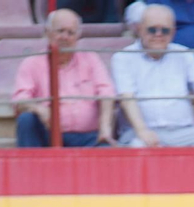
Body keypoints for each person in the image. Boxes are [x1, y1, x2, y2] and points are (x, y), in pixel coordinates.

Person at [112, 5, 194, 146]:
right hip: (138, 132)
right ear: (139, 29)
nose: (158, 34)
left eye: (165, 30)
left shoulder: (184, 54)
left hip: (184, 131)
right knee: (138, 146)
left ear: (173, 32)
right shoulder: (123, 57)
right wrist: (142, 130)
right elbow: (127, 99)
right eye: (152, 29)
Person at [13, 9, 116, 147]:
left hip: (87, 137)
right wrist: (38, 108)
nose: (65, 37)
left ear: (78, 37)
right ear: (47, 33)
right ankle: (30, 168)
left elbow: (107, 94)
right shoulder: (32, 63)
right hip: (48, 135)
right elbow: (20, 100)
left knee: (106, 149)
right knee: (27, 119)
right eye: (60, 31)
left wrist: (105, 128)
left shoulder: (91, 59)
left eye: (70, 32)